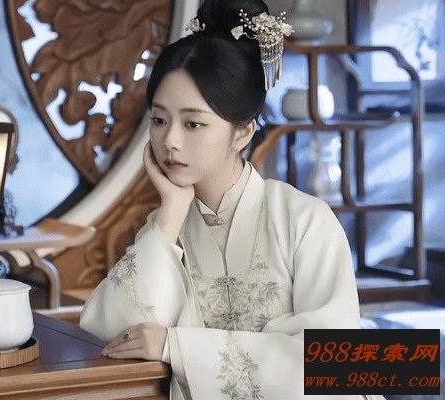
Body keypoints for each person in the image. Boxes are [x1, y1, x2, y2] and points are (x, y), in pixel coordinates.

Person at [80, 0, 382, 399]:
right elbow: (112, 338)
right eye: (159, 120)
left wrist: (177, 346)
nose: (170, 141)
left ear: (243, 132)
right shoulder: (165, 231)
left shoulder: (304, 220)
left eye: (193, 123)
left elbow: (338, 363)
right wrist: (171, 212)